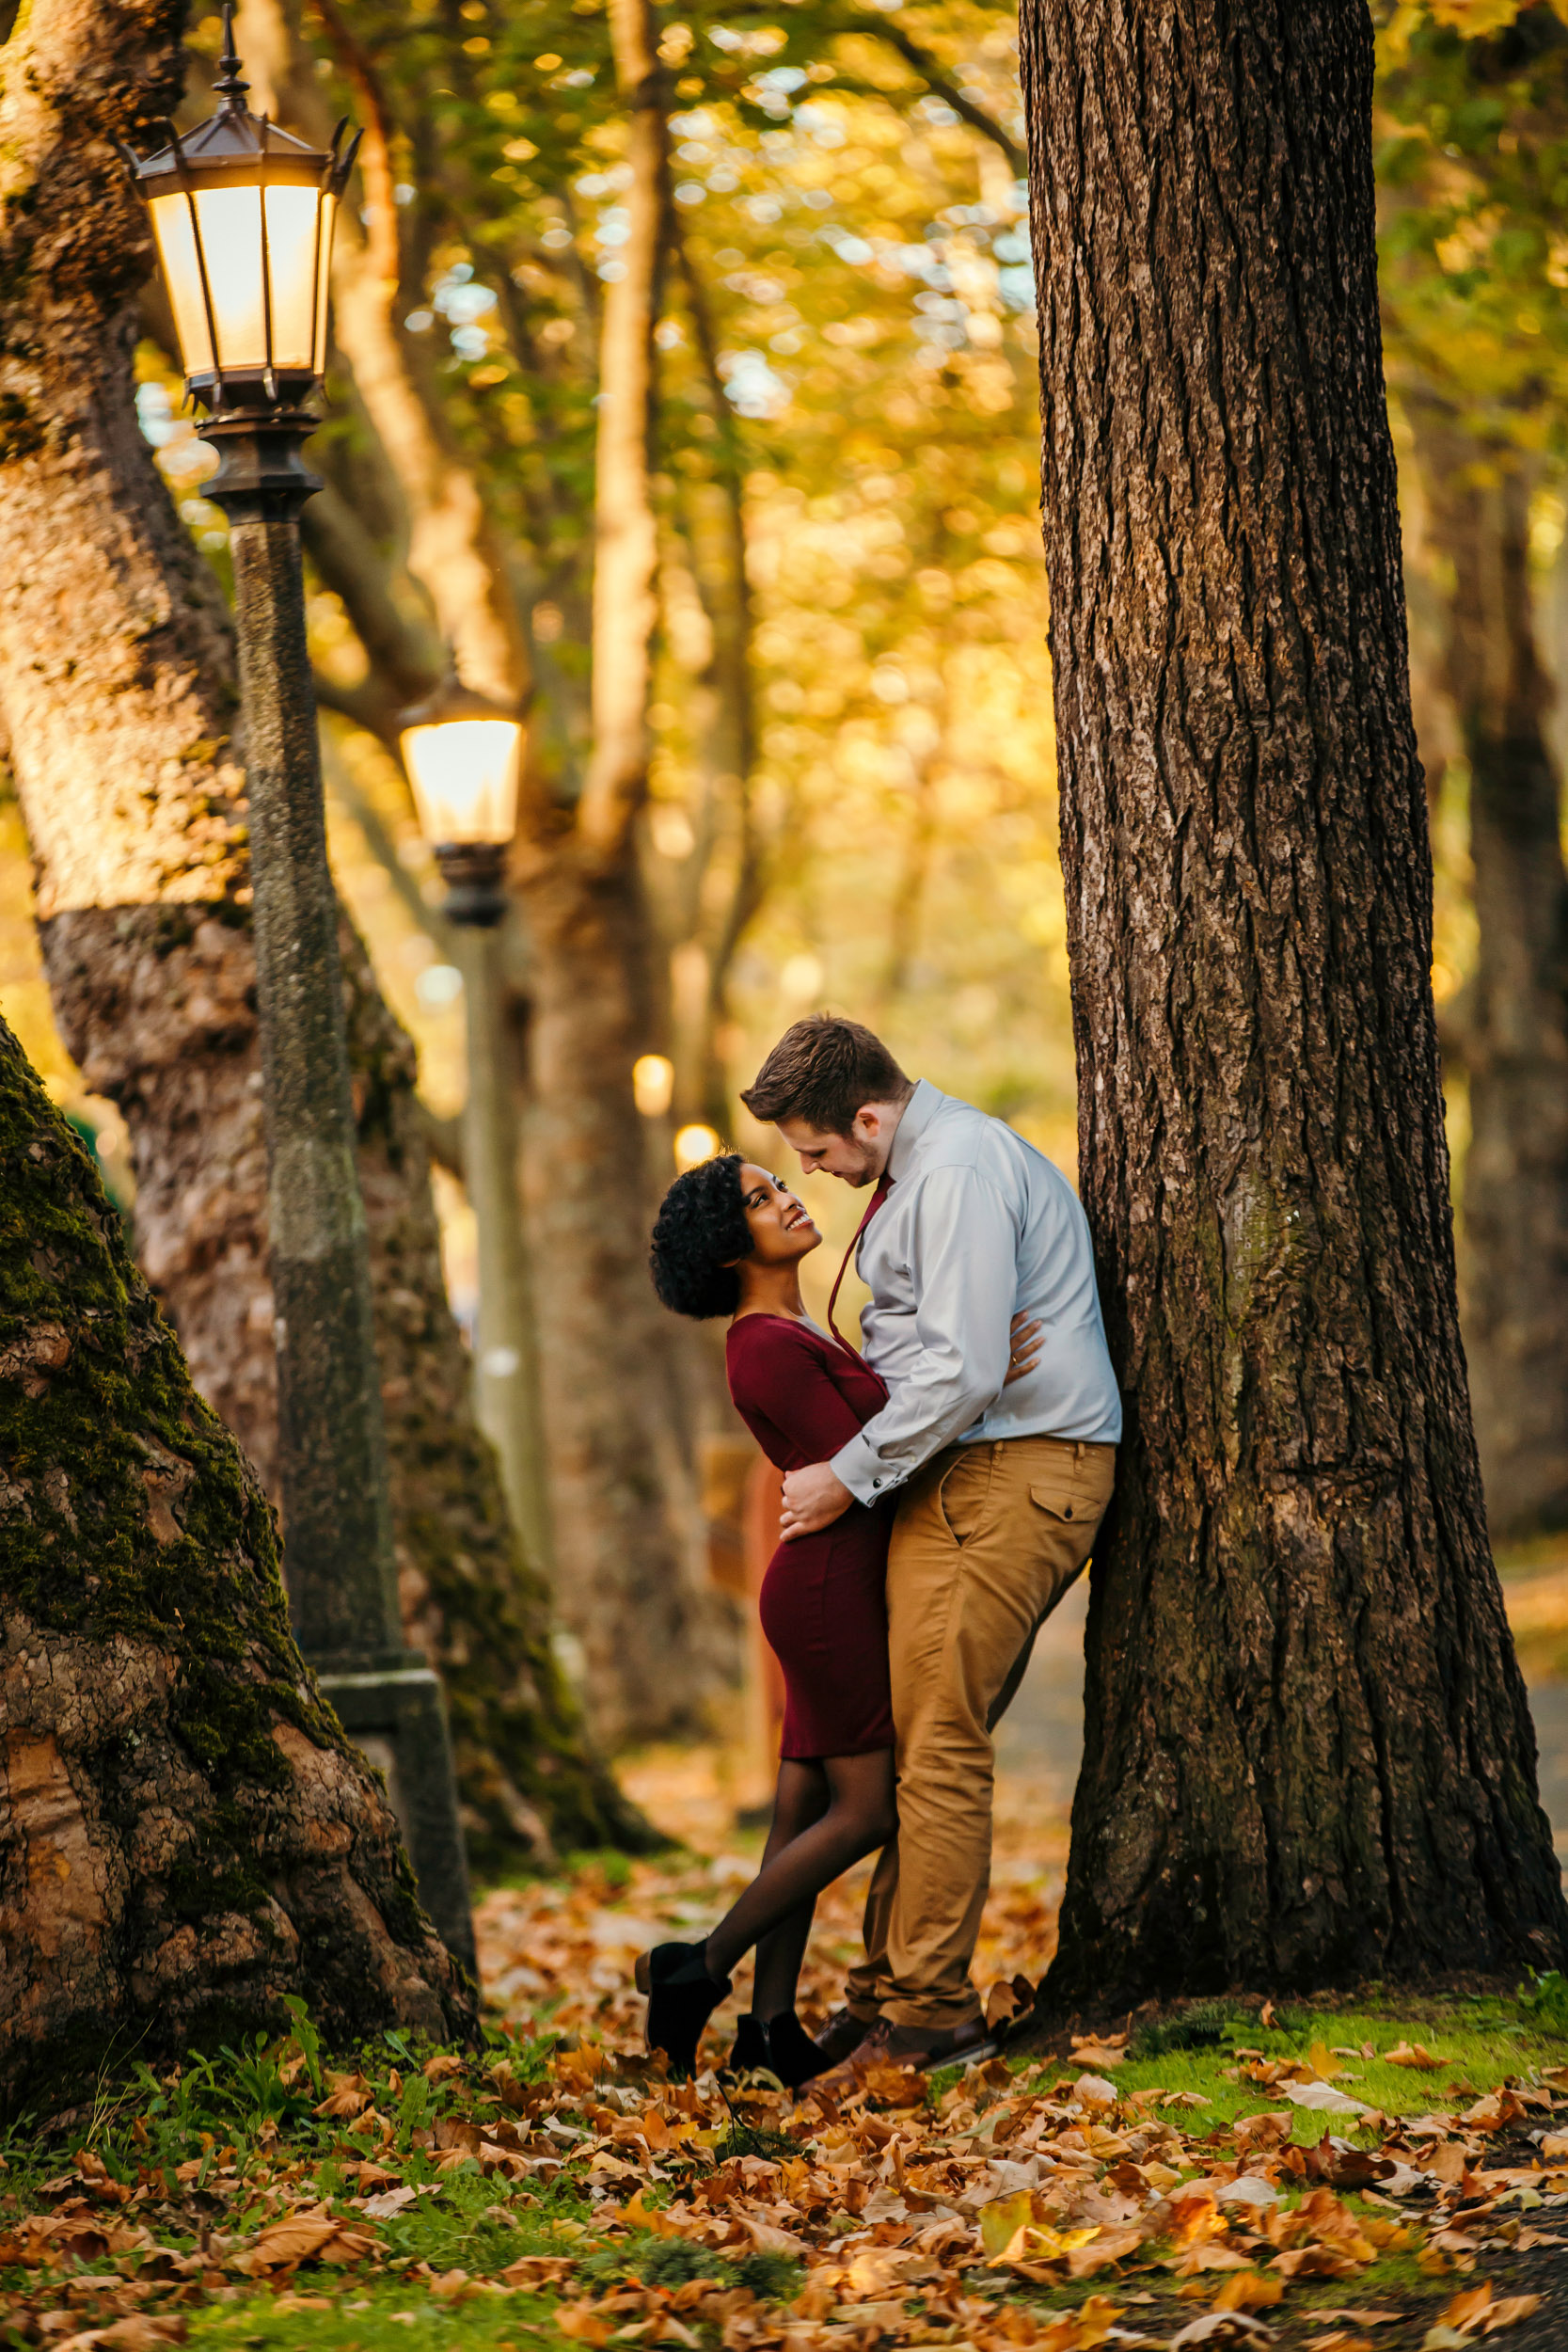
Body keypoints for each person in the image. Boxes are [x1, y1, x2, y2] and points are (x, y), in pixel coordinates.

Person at [738, 1015, 1122, 2075]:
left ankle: (928, 2019)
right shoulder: (914, 1174)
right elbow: (944, 1356)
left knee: (938, 1740)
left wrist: (845, 1475)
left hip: (1014, 1470)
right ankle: (879, 1995)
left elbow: (956, 1378)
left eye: (815, 1149)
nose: (810, 1170)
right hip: (970, 1466)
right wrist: (956, 1356)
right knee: (912, 1743)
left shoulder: (951, 1173)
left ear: (867, 1114)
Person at [642, 1152, 1040, 2083]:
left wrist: (973, 1371)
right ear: (726, 1246)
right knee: (863, 1810)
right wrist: (983, 1380)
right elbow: (868, 1461)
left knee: (799, 1814)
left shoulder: (784, 1329)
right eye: (759, 1196)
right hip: (827, 1597)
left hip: (822, 1587)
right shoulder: (765, 1345)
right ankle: (693, 1970)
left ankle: (768, 2026)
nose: (787, 1196)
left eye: (779, 1181)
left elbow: (880, 1431)